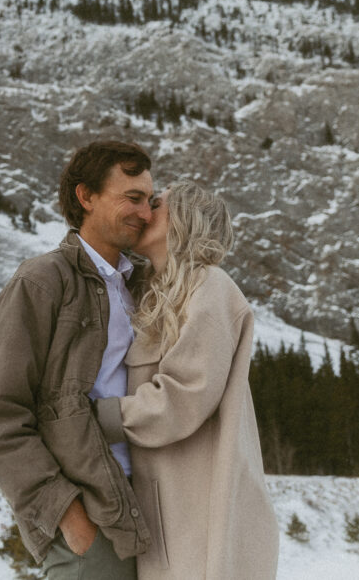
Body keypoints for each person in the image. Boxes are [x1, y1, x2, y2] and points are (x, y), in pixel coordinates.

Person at [0, 140, 156, 579]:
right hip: (91, 519)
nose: (146, 213)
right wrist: (67, 515)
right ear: (86, 197)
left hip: (149, 507)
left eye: (150, 200)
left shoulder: (141, 285)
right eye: (132, 198)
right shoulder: (41, 282)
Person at [93, 180, 279, 579]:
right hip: (170, 505)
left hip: (201, 505)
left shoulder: (209, 287)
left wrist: (98, 417)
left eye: (157, 204)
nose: (144, 211)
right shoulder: (149, 292)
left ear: (184, 221)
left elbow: (183, 396)